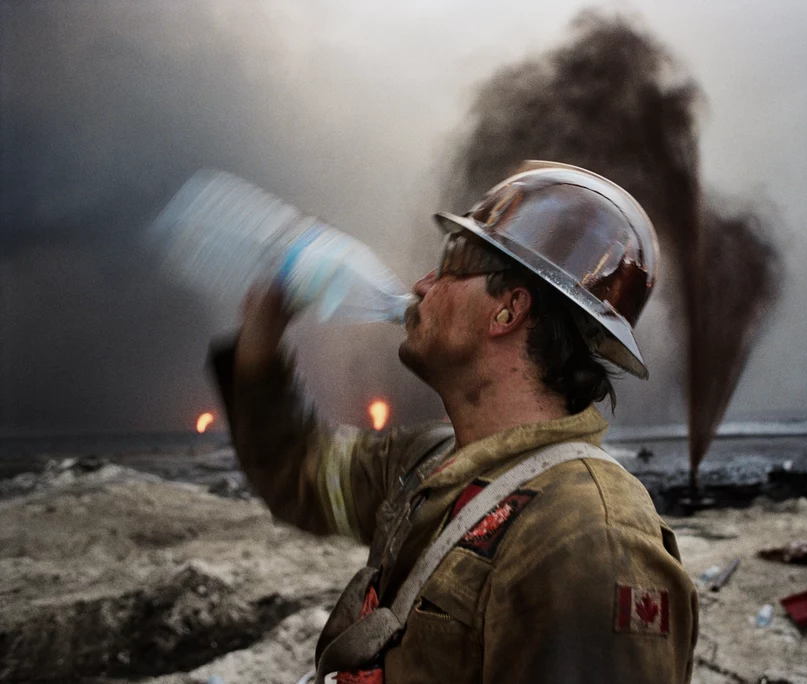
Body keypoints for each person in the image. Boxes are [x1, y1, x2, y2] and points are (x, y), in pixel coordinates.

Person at [209, 161, 698, 684]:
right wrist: (264, 331)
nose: (421, 284)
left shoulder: (589, 537)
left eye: (451, 262)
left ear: (508, 310)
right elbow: (298, 473)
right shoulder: (431, 463)